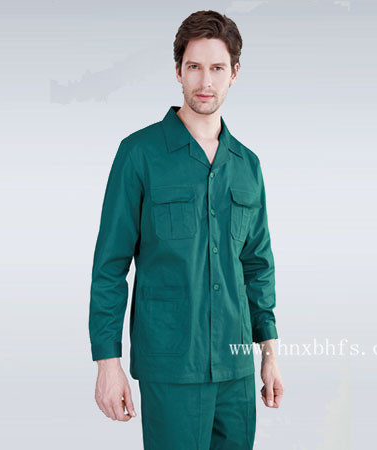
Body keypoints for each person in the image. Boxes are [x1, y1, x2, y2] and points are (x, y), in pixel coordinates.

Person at [89, 9, 284, 449]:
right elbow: (110, 266)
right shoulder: (139, 154)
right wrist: (107, 362)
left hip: (235, 368)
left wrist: (269, 355)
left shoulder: (247, 166)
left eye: (217, 68)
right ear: (178, 70)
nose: (205, 81)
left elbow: (258, 268)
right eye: (194, 67)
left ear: (235, 73)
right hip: (170, 366)